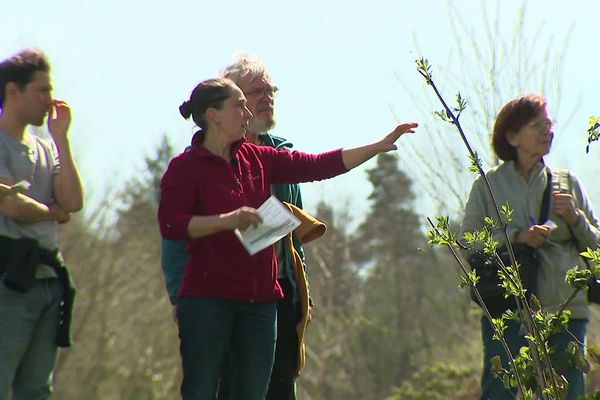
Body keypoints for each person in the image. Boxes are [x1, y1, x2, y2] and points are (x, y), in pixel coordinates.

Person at [158, 77, 417, 400]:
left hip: (263, 303)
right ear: (214, 115)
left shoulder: (259, 158)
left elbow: (317, 165)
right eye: (239, 105)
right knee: (202, 392)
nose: (247, 114)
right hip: (207, 303)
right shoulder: (184, 168)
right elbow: (172, 225)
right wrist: (226, 221)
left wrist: (377, 146)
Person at [161, 54, 311, 399]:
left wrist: (300, 293)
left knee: (278, 390)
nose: (265, 99)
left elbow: (292, 236)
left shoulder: (281, 153)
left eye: (270, 91)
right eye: (255, 92)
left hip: (277, 295)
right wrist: (177, 297)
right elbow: (176, 236)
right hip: (220, 297)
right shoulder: (200, 163)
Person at [460, 94, 600, 399]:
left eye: (549, 124)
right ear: (511, 136)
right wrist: (516, 238)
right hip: (507, 311)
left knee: (569, 393)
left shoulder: (567, 182)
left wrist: (575, 219)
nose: (546, 131)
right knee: (501, 393)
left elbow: (598, 246)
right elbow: (468, 242)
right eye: (537, 125)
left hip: (565, 311)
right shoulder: (488, 185)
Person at [0, 49, 83, 399]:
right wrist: (52, 212)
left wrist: (61, 139)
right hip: (8, 283)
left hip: (48, 282)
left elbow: (74, 202)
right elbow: (12, 206)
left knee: (36, 390)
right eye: (42, 90)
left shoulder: (46, 148)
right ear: (13, 92)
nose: (50, 100)